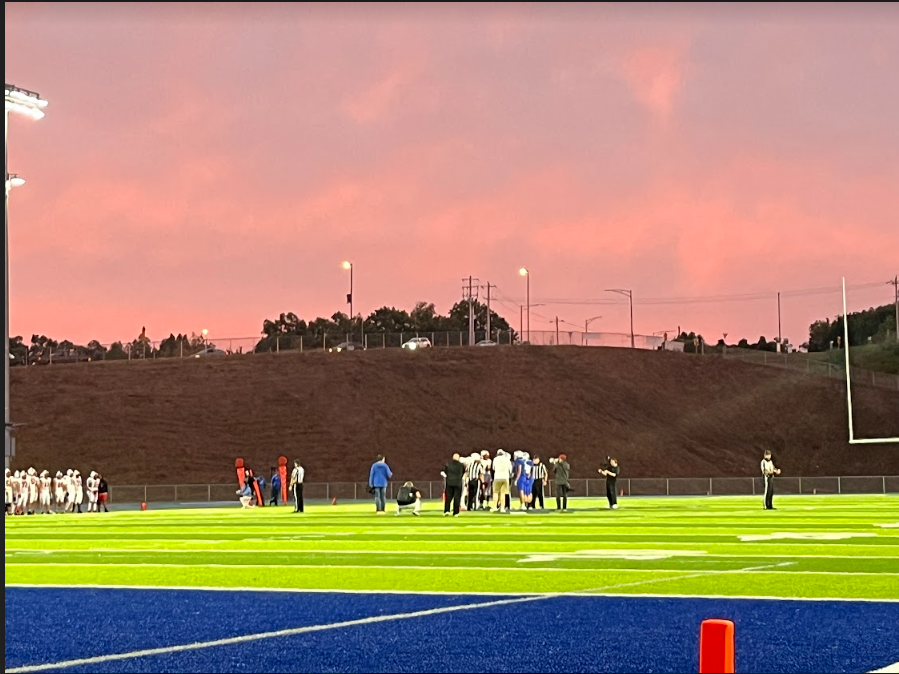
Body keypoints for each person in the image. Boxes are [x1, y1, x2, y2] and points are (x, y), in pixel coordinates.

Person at [442, 453, 465, 517]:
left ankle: (446, 510)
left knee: (448, 498)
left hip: (449, 482)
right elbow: (463, 472)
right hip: (458, 483)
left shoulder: (448, 464)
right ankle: (456, 512)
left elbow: (445, 472)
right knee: (457, 498)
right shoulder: (461, 465)